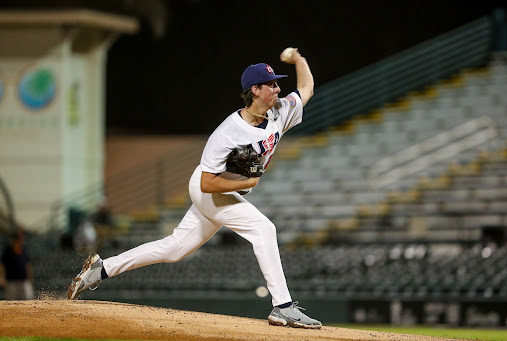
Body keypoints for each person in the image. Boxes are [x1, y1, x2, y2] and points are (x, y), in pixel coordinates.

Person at [67, 48, 321, 329]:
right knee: (264, 229)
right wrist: (246, 182)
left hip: (228, 192)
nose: (277, 88)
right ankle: (282, 306)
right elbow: (206, 182)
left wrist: (299, 60)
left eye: (277, 83)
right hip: (208, 189)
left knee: (175, 249)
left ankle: (102, 269)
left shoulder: (280, 112)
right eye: (271, 84)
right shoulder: (227, 133)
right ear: (255, 90)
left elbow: (306, 88)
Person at [0, 230, 34, 300]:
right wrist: (2, 277)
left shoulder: (24, 250)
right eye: (17, 239)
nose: (19, 241)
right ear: (14, 239)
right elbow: (2, 265)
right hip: (11, 282)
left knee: (29, 299)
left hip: (24, 281)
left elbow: (28, 265)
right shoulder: (8, 251)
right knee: (11, 301)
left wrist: (30, 277)